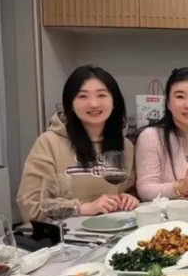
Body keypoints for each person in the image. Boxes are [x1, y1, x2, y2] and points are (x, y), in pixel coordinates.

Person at [16, 65, 138, 222]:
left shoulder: (125, 145)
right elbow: (30, 207)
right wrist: (83, 208)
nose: (93, 104)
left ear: (114, 101)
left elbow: (130, 189)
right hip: (66, 234)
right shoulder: (49, 143)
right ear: (70, 104)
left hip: (116, 231)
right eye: (83, 96)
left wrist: (128, 198)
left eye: (101, 95)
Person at [135, 67, 188, 200]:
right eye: (180, 97)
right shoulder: (151, 136)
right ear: (168, 103)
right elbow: (145, 190)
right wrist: (181, 186)